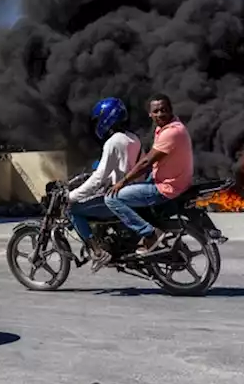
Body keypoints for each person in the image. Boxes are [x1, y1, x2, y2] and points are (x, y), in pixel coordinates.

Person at [104, 94, 194, 256]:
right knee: (133, 191)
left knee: (112, 198)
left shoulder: (171, 132)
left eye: (164, 110)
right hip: (170, 180)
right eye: (156, 111)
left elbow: (146, 163)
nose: (160, 114)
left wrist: (123, 182)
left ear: (171, 110)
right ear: (150, 114)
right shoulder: (169, 127)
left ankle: (150, 234)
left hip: (166, 187)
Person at [65, 98, 142, 271]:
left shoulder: (113, 142)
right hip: (135, 192)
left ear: (106, 118)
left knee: (73, 210)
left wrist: (72, 196)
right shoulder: (133, 138)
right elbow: (122, 168)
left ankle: (97, 251)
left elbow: (99, 178)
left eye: (98, 120)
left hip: (121, 197)